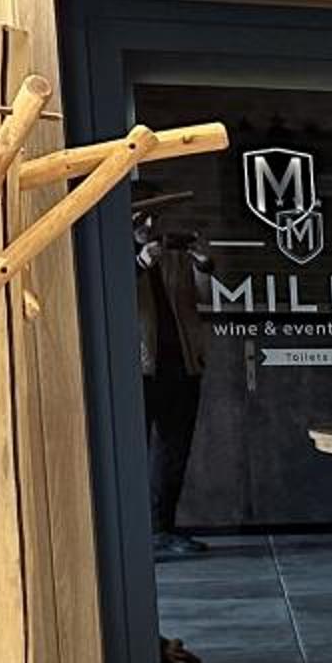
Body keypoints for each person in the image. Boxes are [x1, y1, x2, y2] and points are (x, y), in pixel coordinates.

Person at [135, 191, 210, 559]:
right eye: (141, 218)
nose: (150, 225)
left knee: (173, 453)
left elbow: (201, 298)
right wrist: (139, 263)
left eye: (153, 218)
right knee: (134, 454)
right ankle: (134, 535)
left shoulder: (171, 257)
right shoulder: (114, 260)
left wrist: (202, 265)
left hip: (181, 365)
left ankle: (162, 529)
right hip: (138, 370)